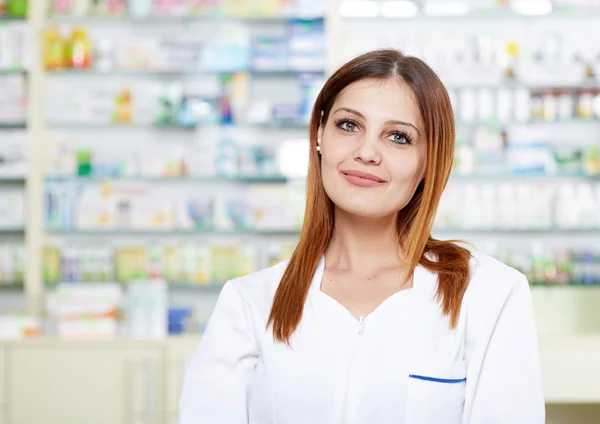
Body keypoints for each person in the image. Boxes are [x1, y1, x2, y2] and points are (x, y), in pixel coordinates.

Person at [179, 49, 545, 424]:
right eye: (349, 125)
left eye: (399, 137)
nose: (367, 152)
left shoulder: (489, 294)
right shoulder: (250, 303)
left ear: (428, 162)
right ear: (319, 135)